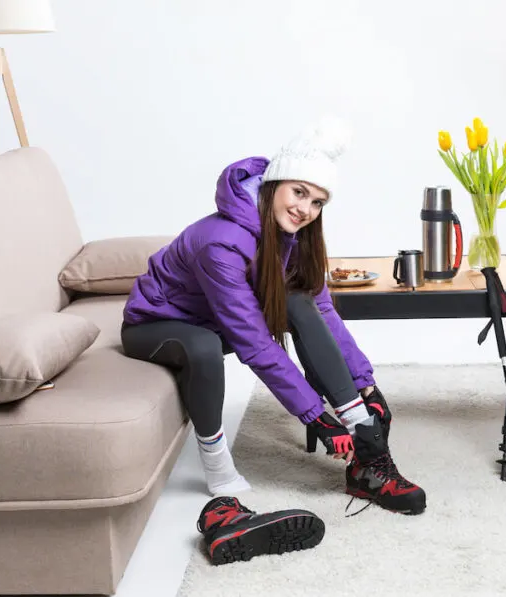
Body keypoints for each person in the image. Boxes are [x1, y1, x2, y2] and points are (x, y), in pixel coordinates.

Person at [120, 117, 426, 515]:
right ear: (273, 184)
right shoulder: (221, 243)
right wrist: (315, 416)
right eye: (298, 192)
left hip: (218, 319)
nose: (305, 209)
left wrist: (364, 388)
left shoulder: (290, 234)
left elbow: (322, 309)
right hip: (157, 324)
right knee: (204, 347)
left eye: (317, 202)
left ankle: (368, 459)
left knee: (299, 302)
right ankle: (216, 464)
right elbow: (254, 343)